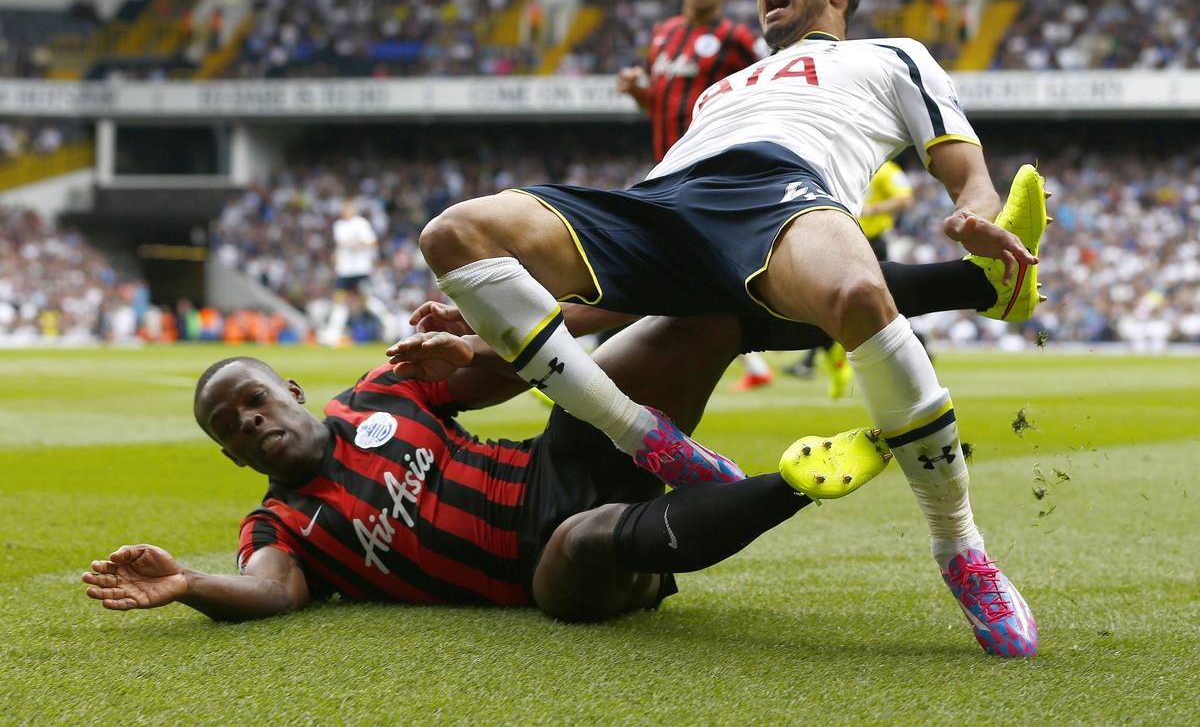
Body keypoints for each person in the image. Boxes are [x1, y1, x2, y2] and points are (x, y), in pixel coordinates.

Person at [411, 0, 1046, 657]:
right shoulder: (719, 92)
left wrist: (971, 214)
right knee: (453, 233)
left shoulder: (892, 55)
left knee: (858, 297)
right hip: (660, 205)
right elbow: (629, 292)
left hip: (780, 193)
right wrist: (483, 320)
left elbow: (966, 170)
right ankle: (642, 435)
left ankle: (960, 549)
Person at [81, 314, 894, 624]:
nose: (251, 422)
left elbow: (518, 373)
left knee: (691, 319)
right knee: (585, 540)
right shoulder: (282, 526)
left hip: (556, 460)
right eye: (232, 428)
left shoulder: (381, 391)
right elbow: (269, 590)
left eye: (254, 400)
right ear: (231, 455)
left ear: (289, 391)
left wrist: (468, 345)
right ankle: (793, 483)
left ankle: (898, 306)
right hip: (542, 569)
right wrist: (188, 582)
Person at [616, 0, 774, 390]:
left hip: (707, 172)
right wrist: (638, 92)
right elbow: (663, 105)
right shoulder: (662, 33)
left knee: (642, 260)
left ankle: (591, 367)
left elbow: (769, 86)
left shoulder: (737, 39)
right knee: (672, 268)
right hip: (666, 167)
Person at [788, 159, 917, 397]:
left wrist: (874, 209)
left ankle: (915, 352)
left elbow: (906, 199)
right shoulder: (838, 164)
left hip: (871, 242)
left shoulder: (886, 170)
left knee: (879, 304)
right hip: (838, 241)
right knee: (826, 299)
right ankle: (822, 357)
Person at [320, 200, 380, 346]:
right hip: (345, 270)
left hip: (360, 269)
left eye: (348, 208)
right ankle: (333, 333)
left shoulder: (361, 223)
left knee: (366, 301)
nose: (345, 211)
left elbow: (372, 242)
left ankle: (389, 324)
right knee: (339, 300)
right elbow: (340, 246)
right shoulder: (339, 226)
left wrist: (355, 244)